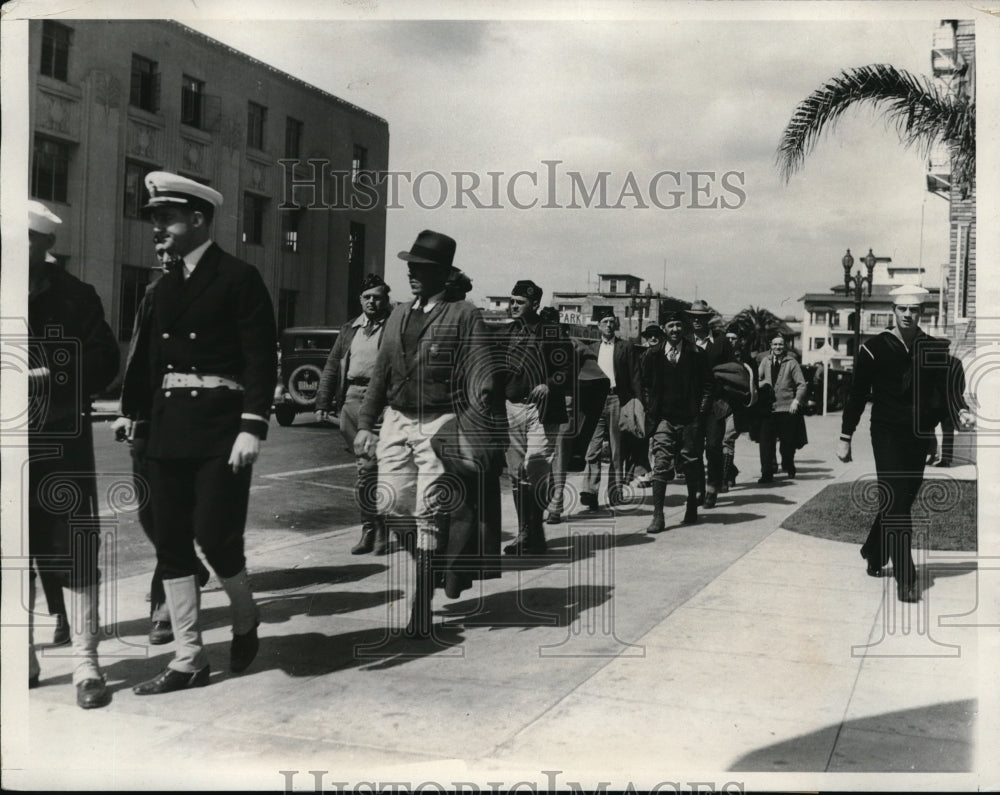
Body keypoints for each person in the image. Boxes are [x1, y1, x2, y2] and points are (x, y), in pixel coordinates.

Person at [120, 172, 278, 694]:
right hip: (168, 430)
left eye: (165, 219)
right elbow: (149, 362)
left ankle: (245, 614)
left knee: (215, 535)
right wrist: (134, 415)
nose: (157, 229)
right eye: (154, 220)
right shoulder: (164, 286)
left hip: (219, 428)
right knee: (170, 542)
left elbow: (260, 358)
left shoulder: (238, 277)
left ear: (197, 219)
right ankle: (189, 657)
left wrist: (252, 425)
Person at [354, 230, 504, 637]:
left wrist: (474, 422)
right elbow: (381, 372)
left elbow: (482, 375)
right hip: (397, 420)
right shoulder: (400, 313)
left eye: (421, 269)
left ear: (442, 274)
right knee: (391, 504)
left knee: (427, 513)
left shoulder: (463, 313)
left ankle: (420, 606)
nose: (412, 274)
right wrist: (366, 424)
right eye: (410, 268)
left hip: (441, 423)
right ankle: (434, 563)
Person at [27, 200, 120, 708]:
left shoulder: (75, 296)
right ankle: (21, 655)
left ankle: (87, 664)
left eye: (26, 239)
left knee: (76, 551)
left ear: (47, 246)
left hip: (61, 445)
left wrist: (48, 374)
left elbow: (106, 359)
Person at [838, 285, 974, 602]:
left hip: (918, 435)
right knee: (897, 502)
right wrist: (846, 436)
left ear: (921, 312)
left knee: (899, 501)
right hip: (885, 433)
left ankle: (874, 550)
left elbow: (949, 384)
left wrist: (961, 410)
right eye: (903, 309)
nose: (908, 314)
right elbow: (857, 395)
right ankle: (906, 577)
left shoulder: (933, 349)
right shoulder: (873, 349)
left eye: (914, 310)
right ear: (893, 311)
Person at [114, 250, 212, 646]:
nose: (165, 255)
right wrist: (126, 412)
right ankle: (190, 567)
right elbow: (137, 357)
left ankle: (164, 610)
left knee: (174, 516)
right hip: (152, 418)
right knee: (148, 514)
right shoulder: (154, 293)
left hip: (196, 421)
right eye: (160, 248)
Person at [315, 273, 392, 555]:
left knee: (371, 468)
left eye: (377, 297)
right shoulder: (350, 328)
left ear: (386, 299)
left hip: (381, 403)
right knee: (364, 469)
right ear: (360, 300)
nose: (372, 301)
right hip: (351, 401)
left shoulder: (393, 326)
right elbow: (333, 364)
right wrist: (323, 401)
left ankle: (379, 528)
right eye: (367, 297)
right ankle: (369, 528)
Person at [499, 280, 572, 553]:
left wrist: (550, 384)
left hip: (541, 411)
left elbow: (567, 366)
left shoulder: (551, 331)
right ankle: (526, 533)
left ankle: (534, 527)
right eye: (512, 300)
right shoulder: (508, 332)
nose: (514, 305)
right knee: (518, 474)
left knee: (537, 468)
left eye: (520, 302)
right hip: (513, 408)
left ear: (535, 305)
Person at [639, 311, 713, 533]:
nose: (675, 330)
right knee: (661, 464)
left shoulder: (696, 353)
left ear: (684, 328)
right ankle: (658, 516)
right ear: (664, 328)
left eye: (679, 326)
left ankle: (692, 504)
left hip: (689, 419)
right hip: (663, 419)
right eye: (671, 326)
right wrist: (650, 409)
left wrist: (699, 415)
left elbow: (708, 387)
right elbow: (644, 386)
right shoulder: (652, 354)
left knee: (690, 462)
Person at [580, 313, 637, 510]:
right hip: (595, 400)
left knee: (616, 448)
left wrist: (635, 402)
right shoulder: (592, 348)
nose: (609, 325)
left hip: (616, 399)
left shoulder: (625, 347)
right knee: (592, 448)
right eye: (605, 322)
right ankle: (590, 492)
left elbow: (633, 376)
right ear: (598, 325)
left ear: (616, 325)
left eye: (612, 322)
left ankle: (615, 493)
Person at [686, 300, 735, 508]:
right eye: (694, 317)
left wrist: (727, 399)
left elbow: (733, 370)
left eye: (701, 318)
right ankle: (698, 488)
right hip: (691, 404)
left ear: (707, 320)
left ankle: (713, 487)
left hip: (716, 404)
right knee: (694, 449)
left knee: (714, 447)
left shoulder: (722, 342)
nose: (697, 321)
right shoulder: (685, 341)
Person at [756, 335, 806, 482]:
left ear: (785, 347)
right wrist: (763, 383)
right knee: (765, 443)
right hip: (769, 409)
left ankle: (789, 464)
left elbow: (801, 384)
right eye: (775, 344)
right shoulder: (765, 361)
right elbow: (757, 380)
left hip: (787, 409)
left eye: (781, 345)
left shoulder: (792, 362)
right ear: (771, 345)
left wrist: (796, 401)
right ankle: (766, 473)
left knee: (788, 443)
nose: (778, 347)